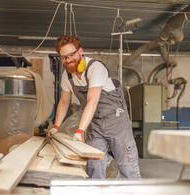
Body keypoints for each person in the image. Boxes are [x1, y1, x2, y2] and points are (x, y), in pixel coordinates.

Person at [48, 34, 141, 179]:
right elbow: (64, 102)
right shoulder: (68, 76)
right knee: (94, 166)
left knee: (127, 165)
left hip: (116, 122)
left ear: (80, 51)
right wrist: (56, 126)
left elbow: (92, 101)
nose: (68, 60)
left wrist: (79, 130)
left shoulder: (95, 68)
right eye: (64, 57)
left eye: (71, 55)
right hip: (95, 124)